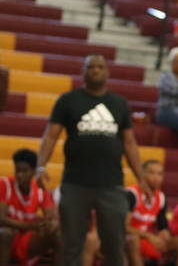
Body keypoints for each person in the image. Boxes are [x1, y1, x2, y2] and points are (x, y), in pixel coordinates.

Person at [38, 54, 144, 266]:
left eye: (99, 67)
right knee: (71, 246)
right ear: (83, 72)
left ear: (107, 72)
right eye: (90, 67)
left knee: (114, 245)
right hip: (76, 183)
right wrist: (40, 166)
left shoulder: (119, 103)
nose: (95, 70)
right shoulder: (67, 101)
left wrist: (141, 177)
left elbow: (130, 143)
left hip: (111, 185)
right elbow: (50, 135)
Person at [0, 148, 60, 266]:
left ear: (33, 172)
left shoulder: (39, 189)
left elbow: (51, 217)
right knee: (6, 234)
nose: (19, 175)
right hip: (1, 237)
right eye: (17, 170)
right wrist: (31, 226)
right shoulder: (4, 183)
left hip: (25, 239)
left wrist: (50, 224)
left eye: (24, 171)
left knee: (59, 235)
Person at [126, 159, 178, 266]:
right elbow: (123, 226)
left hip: (146, 238)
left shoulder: (161, 197)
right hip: (127, 237)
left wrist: (164, 234)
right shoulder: (131, 194)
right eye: (151, 173)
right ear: (141, 174)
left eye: (160, 174)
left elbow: (162, 225)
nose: (156, 178)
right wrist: (149, 236)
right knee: (132, 240)